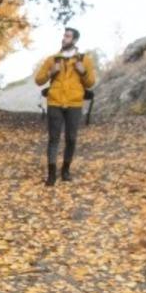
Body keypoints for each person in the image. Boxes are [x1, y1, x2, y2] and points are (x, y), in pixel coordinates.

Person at [33, 26, 97, 185]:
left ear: (75, 40)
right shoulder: (52, 60)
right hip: (55, 102)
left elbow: (90, 83)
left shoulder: (84, 60)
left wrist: (83, 72)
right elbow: (38, 80)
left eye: (68, 36)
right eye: (64, 36)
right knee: (53, 139)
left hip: (75, 103)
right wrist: (50, 73)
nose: (64, 38)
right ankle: (52, 174)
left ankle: (66, 170)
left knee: (71, 138)